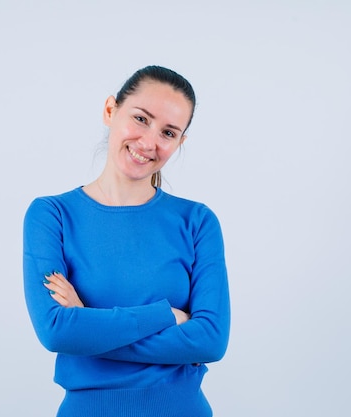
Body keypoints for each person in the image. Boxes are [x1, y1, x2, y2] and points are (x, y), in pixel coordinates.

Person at [23, 65, 230, 417]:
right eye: (141, 118)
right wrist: (165, 316)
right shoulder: (52, 215)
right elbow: (57, 332)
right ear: (110, 110)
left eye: (168, 132)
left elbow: (210, 339)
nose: (149, 142)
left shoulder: (197, 222)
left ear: (179, 142)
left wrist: (88, 323)